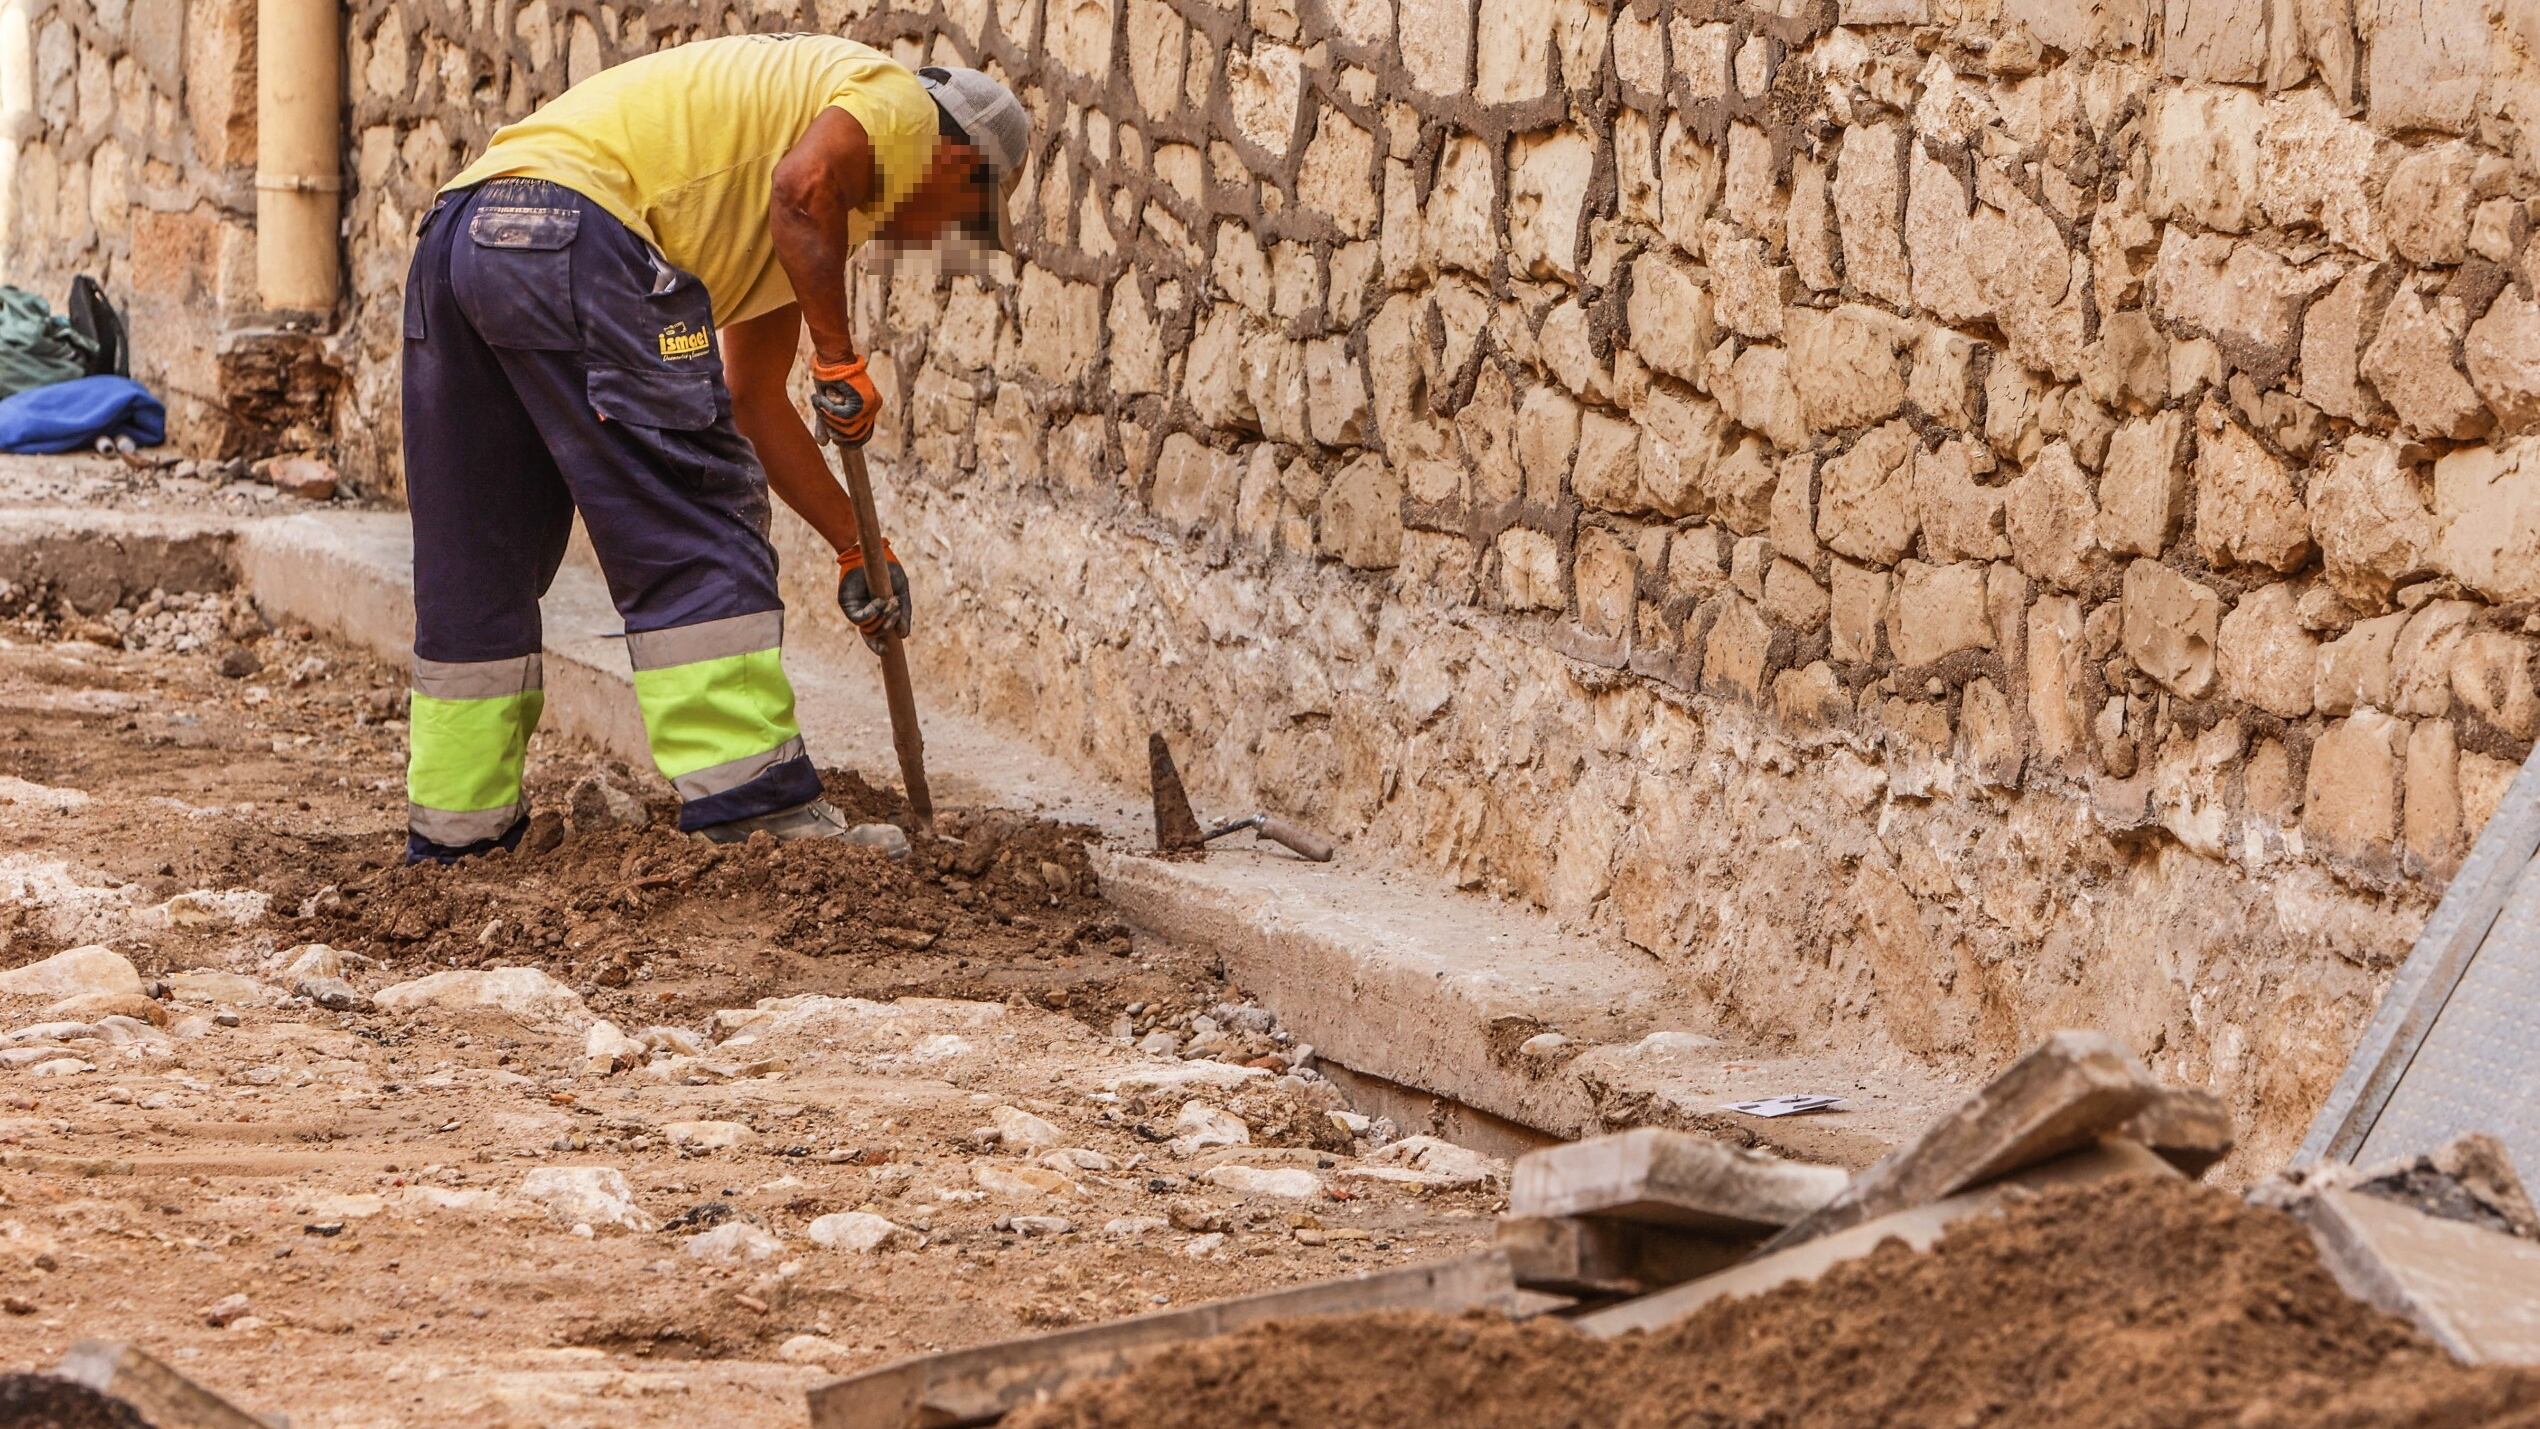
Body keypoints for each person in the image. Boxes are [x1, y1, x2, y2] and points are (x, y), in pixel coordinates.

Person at [397, 34, 1025, 864]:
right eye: (965, 208)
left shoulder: (780, 215)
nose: (943, 232)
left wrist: (855, 545)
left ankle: (457, 833)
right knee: (693, 514)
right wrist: (839, 356)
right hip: (576, 230)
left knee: (480, 552)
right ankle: (754, 805)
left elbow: (753, 401)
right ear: (959, 160)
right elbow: (805, 189)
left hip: (462, 237)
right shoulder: (901, 105)